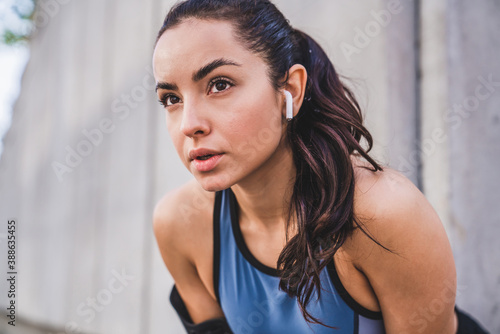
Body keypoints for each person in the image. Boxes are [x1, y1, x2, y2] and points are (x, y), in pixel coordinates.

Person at [151, 0, 489, 333]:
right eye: (172, 98)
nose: (189, 124)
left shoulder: (383, 215)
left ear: (291, 90)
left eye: (220, 85)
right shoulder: (180, 226)